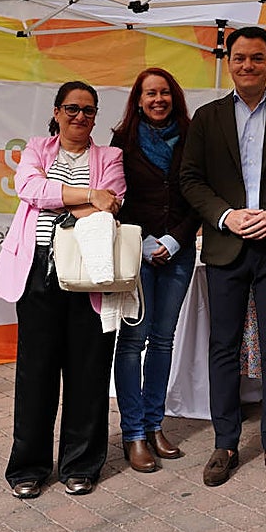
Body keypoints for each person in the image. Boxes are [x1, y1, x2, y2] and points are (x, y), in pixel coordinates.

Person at [180, 26, 266, 488]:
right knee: (223, 347)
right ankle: (224, 443)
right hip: (226, 246)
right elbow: (191, 179)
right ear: (228, 62)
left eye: (256, 58)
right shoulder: (207, 118)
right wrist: (225, 216)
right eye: (239, 58)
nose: (247, 65)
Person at [0, 81, 126, 500]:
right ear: (57, 111)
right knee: (36, 374)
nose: (80, 116)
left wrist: (57, 197)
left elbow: (113, 201)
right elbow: (29, 188)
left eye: (88, 109)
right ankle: (28, 467)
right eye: (72, 108)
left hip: (91, 274)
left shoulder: (111, 156)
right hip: (38, 273)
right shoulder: (36, 149)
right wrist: (86, 195)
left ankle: (81, 465)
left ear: (96, 116)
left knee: (89, 372)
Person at [111, 68, 201, 473]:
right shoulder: (123, 139)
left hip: (178, 252)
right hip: (136, 251)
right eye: (150, 93)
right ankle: (133, 434)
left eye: (165, 92)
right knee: (133, 342)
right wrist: (145, 240)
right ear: (139, 98)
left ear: (174, 96)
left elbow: (200, 194)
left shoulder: (193, 134)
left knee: (164, 340)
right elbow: (116, 196)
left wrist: (177, 240)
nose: (158, 99)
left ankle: (154, 423)